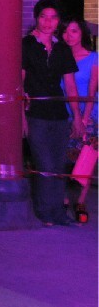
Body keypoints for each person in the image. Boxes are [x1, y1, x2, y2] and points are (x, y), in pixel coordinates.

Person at [22, 0, 82, 227]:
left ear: (58, 21)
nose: (48, 22)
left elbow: (70, 84)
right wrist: (21, 117)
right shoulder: (26, 45)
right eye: (43, 17)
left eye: (53, 17)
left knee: (58, 165)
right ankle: (44, 211)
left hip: (59, 114)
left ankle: (58, 212)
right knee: (44, 164)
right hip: (35, 113)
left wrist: (76, 116)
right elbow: (20, 81)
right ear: (36, 18)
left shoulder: (62, 48)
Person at [60, 17, 97, 223]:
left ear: (82, 33)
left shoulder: (93, 58)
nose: (69, 36)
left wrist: (84, 118)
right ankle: (64, 198)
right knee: (64, 158)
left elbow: (92, 91)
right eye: (65, 31)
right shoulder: (59, 56)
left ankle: (81, 201)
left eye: (74, 31)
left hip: (89, 114)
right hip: (64, 113)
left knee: (86, 158)